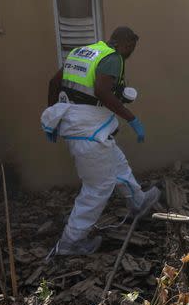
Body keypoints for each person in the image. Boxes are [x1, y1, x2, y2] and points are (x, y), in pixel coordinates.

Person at [41, 26, 160, 257]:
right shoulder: (113, 57)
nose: (130, 54)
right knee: (97, 187)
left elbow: (53, 83)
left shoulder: (82, 52)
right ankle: (70, 242)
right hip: (89, 130)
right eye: (131, 48)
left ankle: (138, 201)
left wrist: (53, 115)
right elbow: (102, 92)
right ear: (124, 43)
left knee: (116, 161)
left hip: (79, 126)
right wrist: (131, 118)